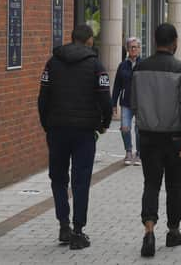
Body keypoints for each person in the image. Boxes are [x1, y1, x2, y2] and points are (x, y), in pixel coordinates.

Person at [38, 25, 112, 250]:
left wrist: (47, 125)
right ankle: (78, 230)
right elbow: (105, 100)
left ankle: (63, 224)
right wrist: (103, 125)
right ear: (89, 40)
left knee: (58, 178)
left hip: (57, 129)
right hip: (84, 132)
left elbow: (43, 98)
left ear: (72, 39)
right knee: (81, 180)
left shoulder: (53, 62)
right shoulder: (95, 65)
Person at [131, 23, 181, 258]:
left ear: (155, 40)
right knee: (174, 185)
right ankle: (173, 231)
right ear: (174, 42)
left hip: (147, 136)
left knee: (151, 183)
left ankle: (149, 230)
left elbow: (134, 103)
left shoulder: (140, 68)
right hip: (175, 137)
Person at [112, 37, 142, 166]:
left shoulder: (144, 64)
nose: (133, 49)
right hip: (126, 102)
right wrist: (113, 104)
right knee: (125, 128)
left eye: (136, 47)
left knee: (139, 130)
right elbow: (117, 85)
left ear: (139, 49)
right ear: (128, 49)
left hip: (140, 103)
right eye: (131, 47)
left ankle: (139, 153)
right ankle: (128, 151)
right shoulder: (122, 66)